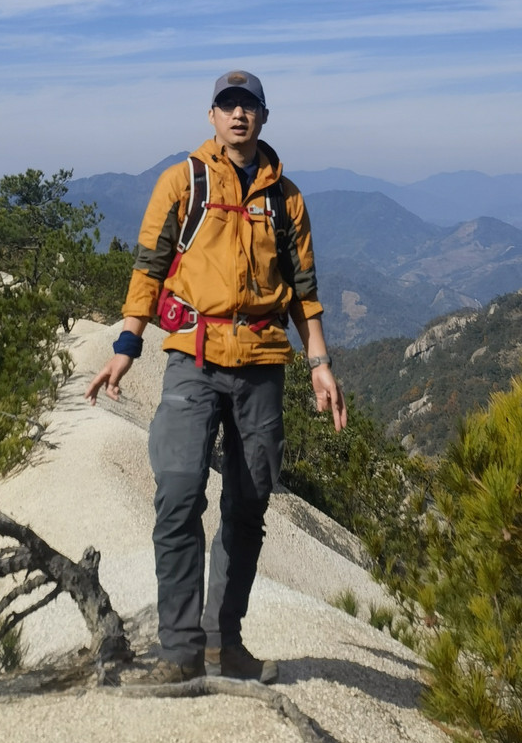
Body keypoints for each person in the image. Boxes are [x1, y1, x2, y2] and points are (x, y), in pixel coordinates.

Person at [85, 69, 346, 684]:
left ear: (262, 117)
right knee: (177, 494)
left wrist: (320, 364)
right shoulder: (183, 182)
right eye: (228, 106)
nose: (238, 115)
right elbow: (149, 267)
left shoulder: (288, 199)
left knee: (248, 507)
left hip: (260, 363)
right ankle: (177, 652)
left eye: (248, 106)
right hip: (192, 359)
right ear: (211, 116)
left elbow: (303, 294)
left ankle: (223, 644)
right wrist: (127, 344)